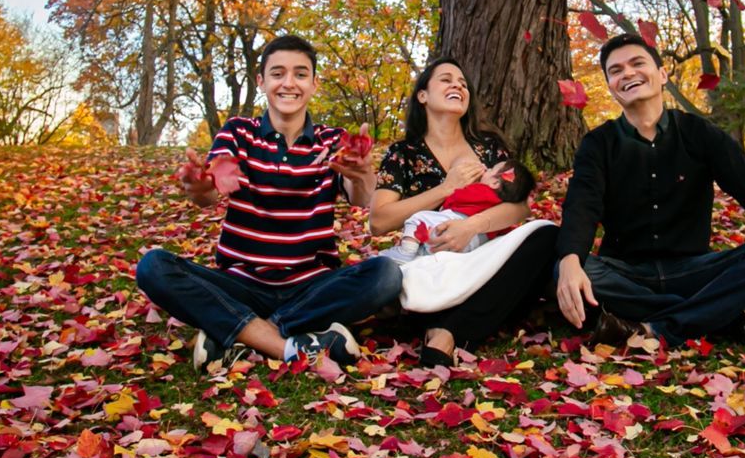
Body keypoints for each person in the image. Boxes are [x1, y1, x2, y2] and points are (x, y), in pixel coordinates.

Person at [134, 34, 399, 373]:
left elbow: (360, 197)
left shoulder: (330, 140)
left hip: (312, 286)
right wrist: (199, 186)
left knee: (386, 274)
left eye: (301, 74)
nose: (289, 83)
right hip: (242, 283)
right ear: (261, 81)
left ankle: (238, 333)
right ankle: (291, 344)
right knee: (153, 267)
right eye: (278, 73)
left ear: (314, 83)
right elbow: (211, 192)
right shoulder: (238, 133)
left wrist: (362, 174)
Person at [555, 32, 745, 348]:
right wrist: (571, 261)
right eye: (616, 71)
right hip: (627, 274)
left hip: (694, 271)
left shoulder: (700, 133)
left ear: (662, 74)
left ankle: (659, 327)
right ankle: (716, 316)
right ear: (611, 87)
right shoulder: (598, 144)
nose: (627, 73)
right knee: (564, 262)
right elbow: (582, 206)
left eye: (637, 63)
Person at [371, 57, 560, 368]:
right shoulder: (403, 154)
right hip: (429, 269)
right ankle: (447, 323)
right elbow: (379, 221)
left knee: (546, 234)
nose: (457, 85)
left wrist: (470, 227)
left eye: (462, 83)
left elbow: (520, 208)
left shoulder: (488, 149)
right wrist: (446, 189)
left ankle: (447, 332)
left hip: (480, 261)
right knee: (391, 274)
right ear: (423, 96)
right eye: (446, 79)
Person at [378, 162, 536, 262]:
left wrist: (456, 190)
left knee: (418, 219)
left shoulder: (479, 189)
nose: (485, 169)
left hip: (451, 222)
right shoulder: (501, 203)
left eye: (491, 169)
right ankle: (416, 259)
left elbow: (456, 198)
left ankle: (406, 251)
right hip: (474, 245)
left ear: (494, 182)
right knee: (434, 253)